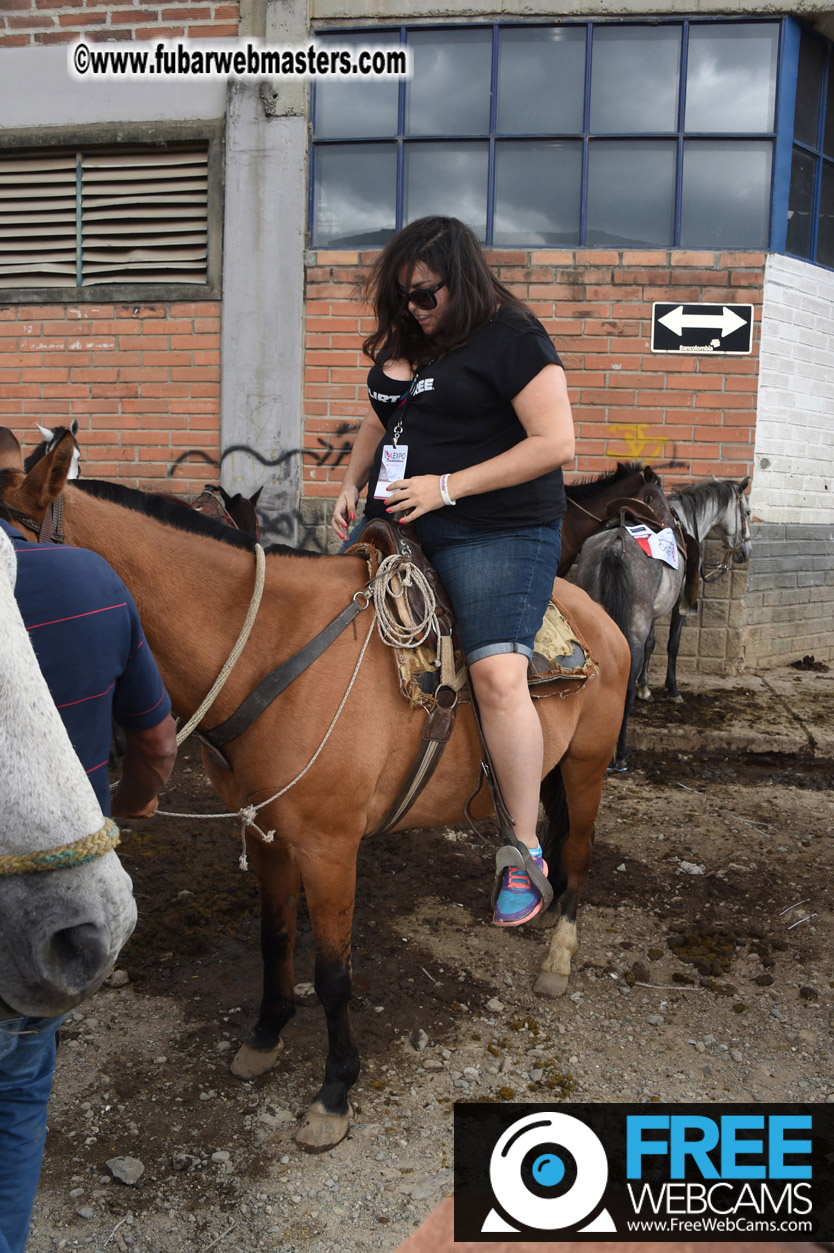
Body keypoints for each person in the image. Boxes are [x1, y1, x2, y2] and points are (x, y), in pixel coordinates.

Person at [331, 216, 575, 928]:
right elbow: (379, 420)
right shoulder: (416, 341)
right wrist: (350, 483)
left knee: (499, 677)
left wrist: (446, 487)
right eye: (401, 297)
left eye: (424, 293)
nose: (412, 308)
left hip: (496, 531)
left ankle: (525, 852)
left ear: (460, 277)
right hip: (400, 522)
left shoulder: (514, 337)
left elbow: (555, 441)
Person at [0, 484, 177, 1253]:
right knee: (22, 1090)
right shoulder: (92, 580)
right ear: (22, 486)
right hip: (58, 908)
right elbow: (159, 745)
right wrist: (133, 806)